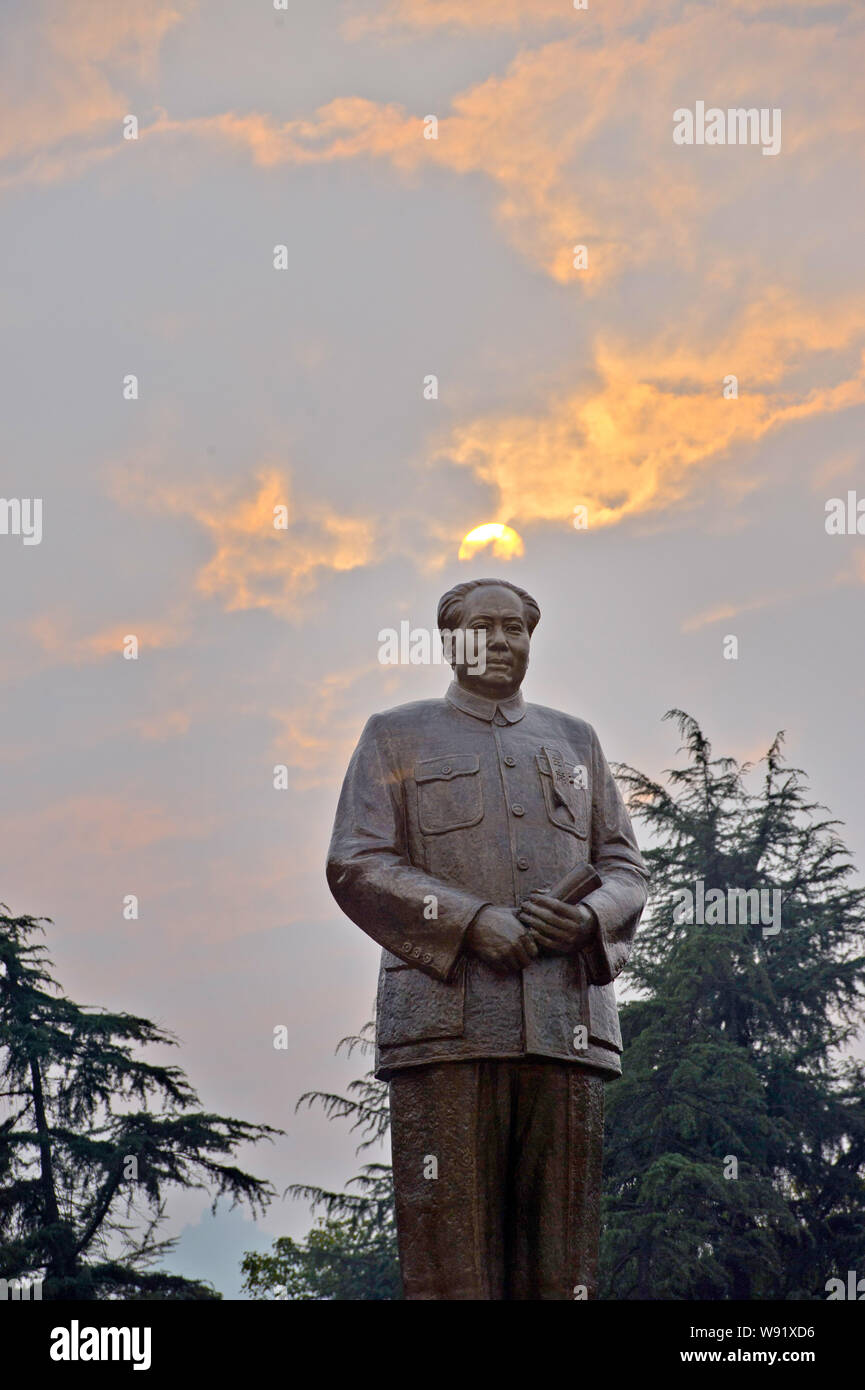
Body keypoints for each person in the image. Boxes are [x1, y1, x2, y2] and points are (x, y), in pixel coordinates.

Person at [327, 578, 648, 1299]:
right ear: (449, 641)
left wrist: (591, 919)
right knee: (451, 1262)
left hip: (567, 1024)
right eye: (483, 628)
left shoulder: (575, 741)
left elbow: (623, 866)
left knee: (562, 1266)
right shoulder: (395, 734)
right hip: (446, 1025)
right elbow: (356, 860)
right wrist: (468, 921)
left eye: (515, 628)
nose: (500, 641)